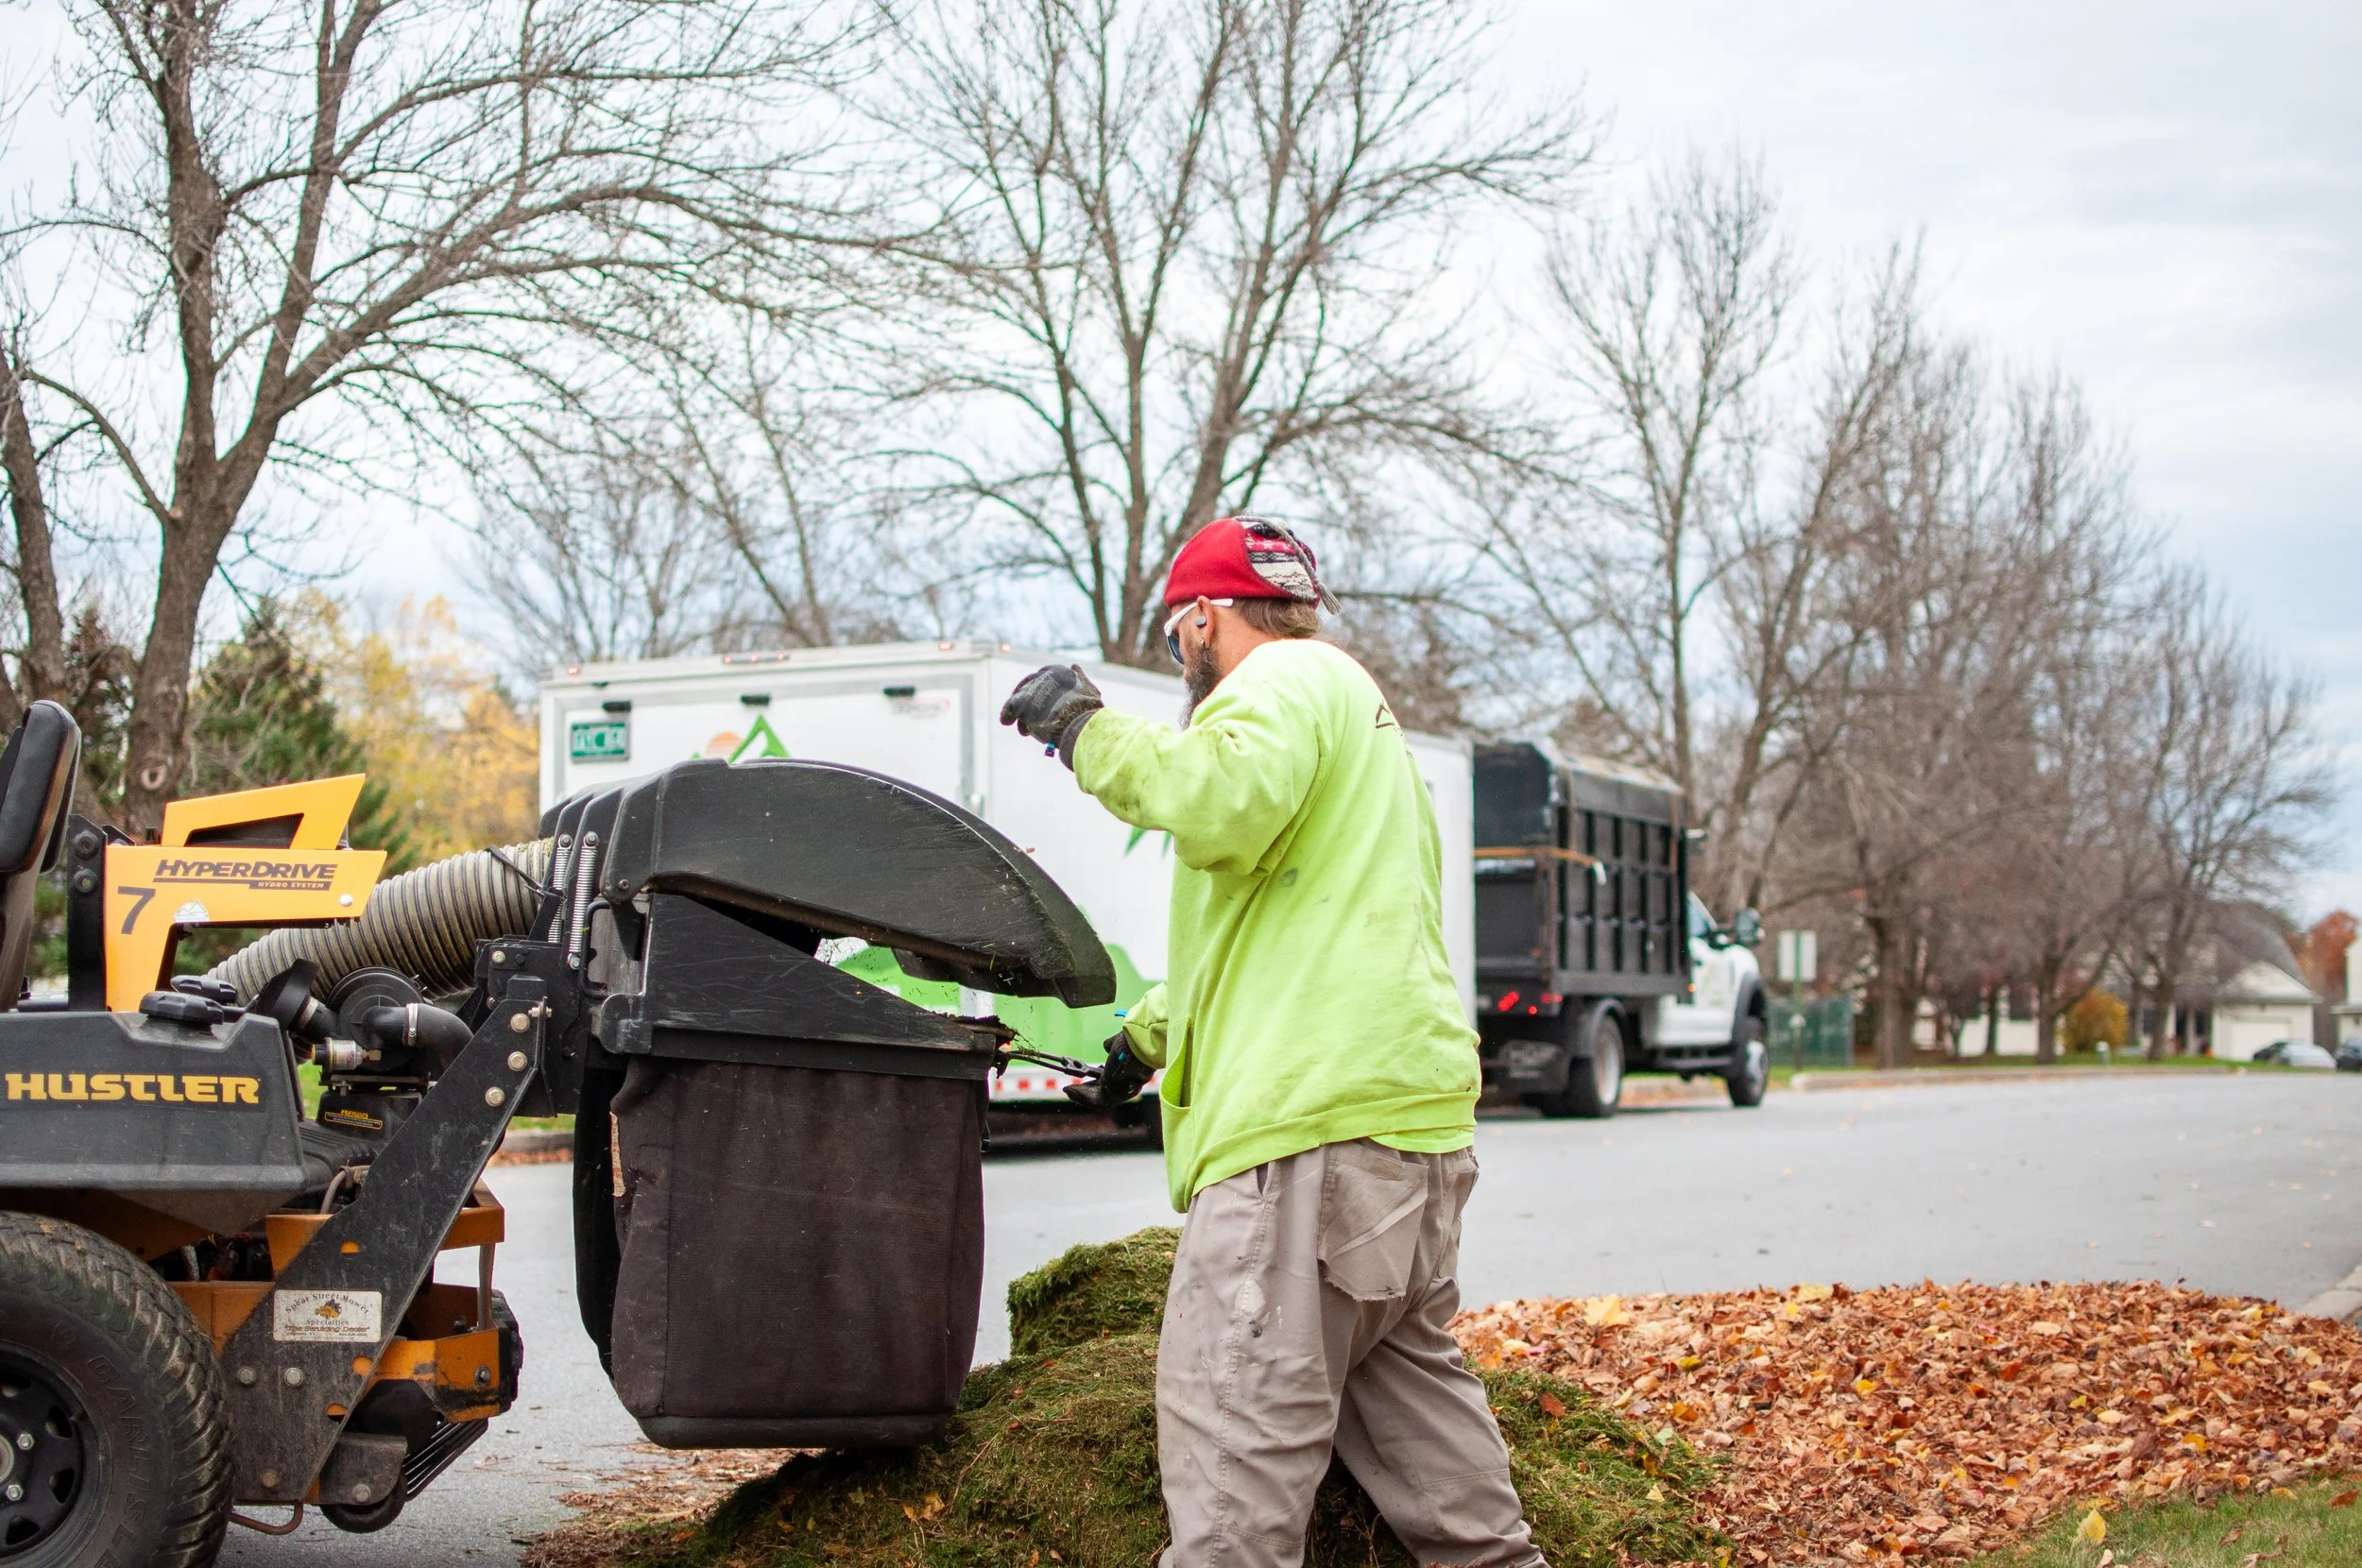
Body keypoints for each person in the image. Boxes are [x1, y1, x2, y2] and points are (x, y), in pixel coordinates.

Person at [1000, 516, 1544, 1568]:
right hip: (1402, 1146)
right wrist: (1145, 1042)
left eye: (1173, 645)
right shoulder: (1358, 720)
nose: (1182, 665)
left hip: (1306, 1155)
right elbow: (1275, 927)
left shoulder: (1280, 683)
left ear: (1202, 617)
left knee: (1230, 1500)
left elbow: (1216, 802)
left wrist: (1084, 731)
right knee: (1460, 1505)